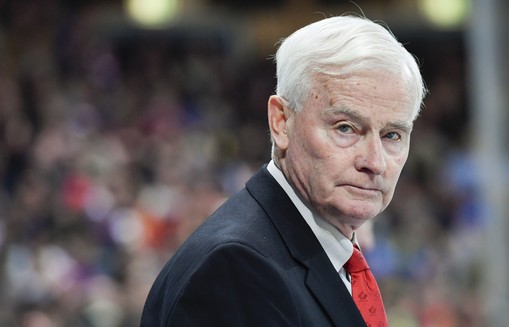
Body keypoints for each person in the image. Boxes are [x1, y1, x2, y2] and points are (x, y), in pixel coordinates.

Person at [141, 15, 426, 327]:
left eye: (392, 135)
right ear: (281, 122)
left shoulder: (321, 250)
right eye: (346, 128)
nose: (375, 161)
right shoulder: (236, 269)